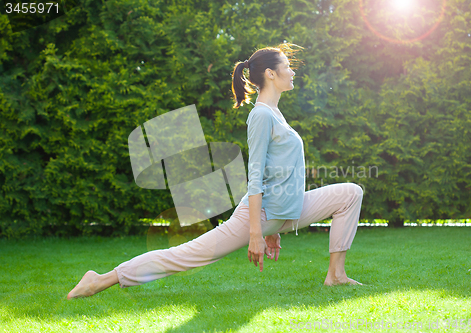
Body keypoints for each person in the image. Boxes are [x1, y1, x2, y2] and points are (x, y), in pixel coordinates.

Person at [67, 43, 363, 299]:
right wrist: (258, 233)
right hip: (258, 215)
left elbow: (280, 172)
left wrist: (275, 229)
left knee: (350, 193)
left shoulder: (275, 112)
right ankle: (100, 280)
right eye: (287, 66)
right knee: (187, 256)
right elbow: (256, 175)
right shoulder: (260, 115)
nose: (293, 71)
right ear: (271, 74)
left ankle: (336, 275)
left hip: (285, 209)